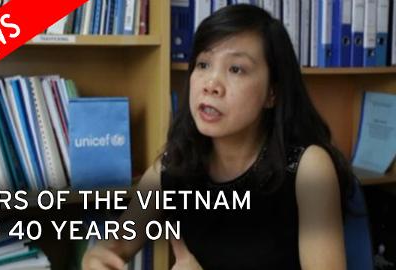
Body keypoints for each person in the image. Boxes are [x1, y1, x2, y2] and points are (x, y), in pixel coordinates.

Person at [82, 4, 352, 270]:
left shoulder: (308, 169)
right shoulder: (174, 165)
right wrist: (96, 256)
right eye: (203, 64)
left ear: (272, 93)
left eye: (236, 69)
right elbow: (117, 243)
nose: (211, 84)